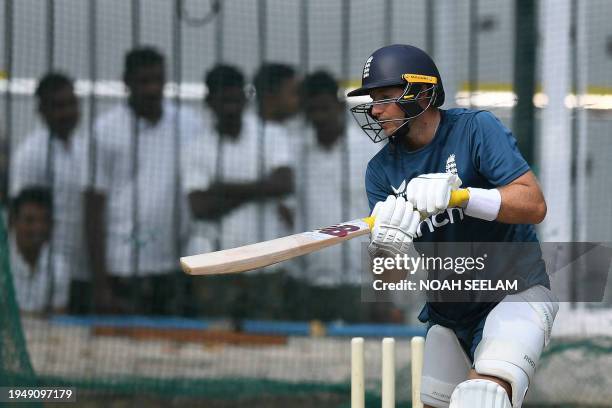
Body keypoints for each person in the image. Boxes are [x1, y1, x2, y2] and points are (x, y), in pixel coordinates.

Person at [347, 44, 558, 408]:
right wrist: (385, 246)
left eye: (385, 97)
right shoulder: (380, 171)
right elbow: (390, 279)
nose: (375, 109)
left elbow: (533, 204)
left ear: (423, 92)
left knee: (482, 398)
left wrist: (461, 197)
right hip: (448, 313)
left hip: (514, 294)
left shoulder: (476, 129)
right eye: (372, 99)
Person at [87, 46, 203, 315]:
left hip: (176, 265)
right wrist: (100, 284)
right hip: (122, 266)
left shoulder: (189, 124)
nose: (152, 89)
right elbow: (93, 207)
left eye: (158, 80)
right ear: (126, 82)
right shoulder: (105, 130)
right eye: (144, 81)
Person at [183, 64, 293, 319]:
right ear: (209, 102)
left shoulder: (271, 134)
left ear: (245, 98)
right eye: (223, 100)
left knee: (265, 338)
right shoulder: (196, 147)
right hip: (215, 264)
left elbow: (285, 184)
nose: (230, 107)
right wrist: (260, 188)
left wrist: (222, 188)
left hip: (266, 263)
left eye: (235, 99)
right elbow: (200, 208)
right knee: (217, 338)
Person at [284, 70, 385, 322]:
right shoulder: (296, 151)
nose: (320, 117)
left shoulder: (369, 151)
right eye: (313, 110)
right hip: (305, 280)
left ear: (339, 106)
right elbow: (286, 209)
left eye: (325, 108)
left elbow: (384, 218)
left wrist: (384, 287)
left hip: (355, 280)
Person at [9, 72, 90, 313]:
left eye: (71, 104)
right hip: (43, 271)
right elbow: (22, 213)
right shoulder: (30, 155)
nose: (67, 113)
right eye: (58, 106)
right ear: (42, 111)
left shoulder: (82, 148)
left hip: (80, 268)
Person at [8, 187, 69, 314]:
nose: (38, 228)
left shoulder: (59, 267)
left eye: (44, 221)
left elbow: (58, 317)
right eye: (29, 220)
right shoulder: (3, 259)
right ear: (14, 221)